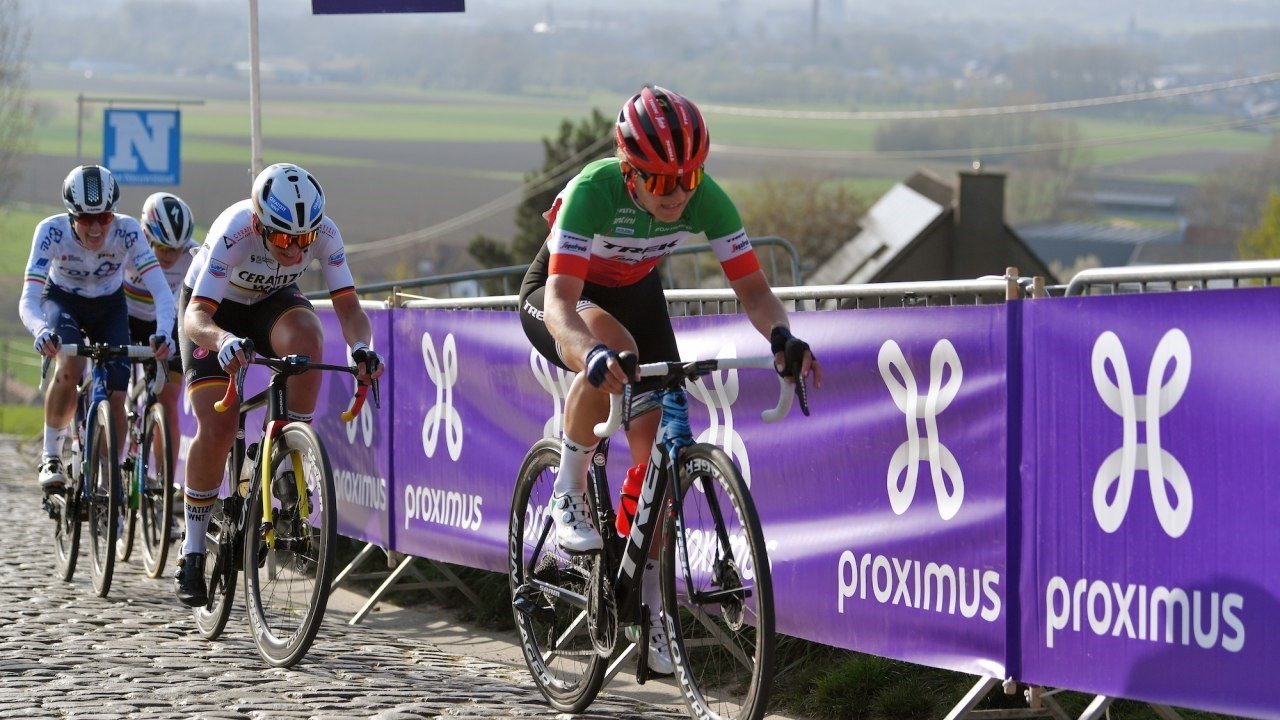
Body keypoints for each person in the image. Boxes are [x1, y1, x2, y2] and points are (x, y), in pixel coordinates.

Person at [518, 85, 822, 674]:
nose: (678, 193)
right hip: (562, 294)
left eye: (689, 177)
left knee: (656, 454)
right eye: (660, 181)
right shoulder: (593, 191)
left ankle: (652, 607)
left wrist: (782, 337)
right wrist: (590, 352)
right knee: (617, 352)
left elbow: (753, 290)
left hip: (637, 294)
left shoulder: (705, 198)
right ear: (629, 171)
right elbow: (559, 303)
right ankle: (568, 490)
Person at [174, 162, 385, 607]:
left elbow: (349, 310)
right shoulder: (235, 231)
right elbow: (196, 316)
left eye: (305, 240)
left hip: (271, 301)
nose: (296, 249)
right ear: (259, 224)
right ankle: (192, 547)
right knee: (217, 425)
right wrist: (222, 341)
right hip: (214, 311)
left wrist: (362, 349)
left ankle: (286, 453)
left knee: (309, 338)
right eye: (286, 239)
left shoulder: (325, 233)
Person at [19, 165, 177, 492]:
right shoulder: (50, 232)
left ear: (113, 214)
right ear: (70, 215)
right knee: (71, 365)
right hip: (63, 300)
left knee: (118, 393)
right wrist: (41, 331)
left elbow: (162, 292)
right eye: (85, 218)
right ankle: (51, 455)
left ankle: (110, 477)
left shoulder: (127, 231)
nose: (94, 228)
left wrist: (163, 332)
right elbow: (29, 299)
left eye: (104, 218)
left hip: (109, 306)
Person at [126, 192, 197, 480]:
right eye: (163, 248)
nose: (170, 256)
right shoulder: (130, 247)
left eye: (176, 249)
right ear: (146, 236)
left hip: (166, 325)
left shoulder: (192, 256)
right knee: (113, 388)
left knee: (168, 404)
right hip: (127, 318)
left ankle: (164, 483)